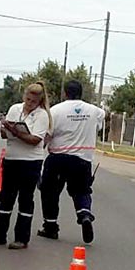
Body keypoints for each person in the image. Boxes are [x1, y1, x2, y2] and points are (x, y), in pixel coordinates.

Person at [0, 83, 51, 249]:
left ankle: (22, 237)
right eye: (27, 99)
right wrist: (6, 130)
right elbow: (4, 134)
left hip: (30, 162)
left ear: (39, 101)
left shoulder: (42, 115)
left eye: (33, 101)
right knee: (6, 197)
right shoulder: (15, 109)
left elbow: (35, 140)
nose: (29, 103)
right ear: (24, 96)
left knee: (25, 199)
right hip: (12, 158)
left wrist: (17, 131)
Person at [38, 80, 105, 244]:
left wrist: (39, 154)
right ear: (81, 92)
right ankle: (84, 215)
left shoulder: (55, 111)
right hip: (82, 159)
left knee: (50, 192)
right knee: (82, 191)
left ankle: (50, 226)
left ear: (65, 93)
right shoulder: (95, 111)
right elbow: (100, 125)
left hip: (58, 158)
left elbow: (47, 136)